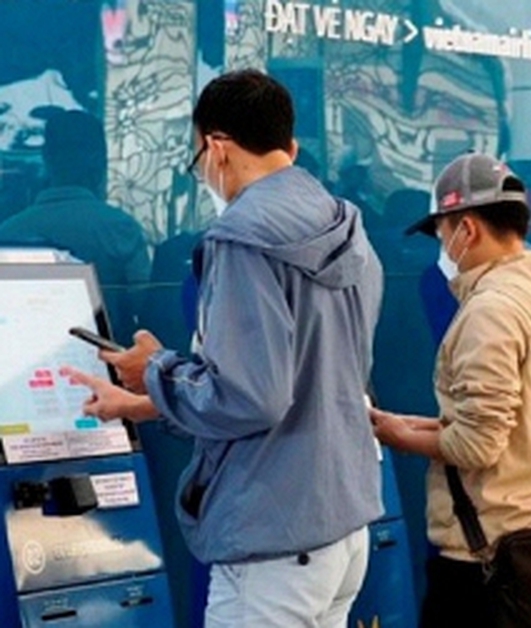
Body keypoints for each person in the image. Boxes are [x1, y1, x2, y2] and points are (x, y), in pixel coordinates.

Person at [65, 69, 384, 627]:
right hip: (341, 531)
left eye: (197, 163)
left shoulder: (242, 237)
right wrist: (150, 404)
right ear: (290, 147)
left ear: (216, 147)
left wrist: (156, 369)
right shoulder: (344, 228)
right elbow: (309, 380)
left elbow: (251, 396)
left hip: (273, 537)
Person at [368, 153, 531, 628]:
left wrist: (397, 437)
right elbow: (520, 419)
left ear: (467, 229)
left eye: (441, 234)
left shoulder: (490, 311)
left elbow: (479, 444)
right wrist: (414, 424)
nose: (442, 250)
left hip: (486, 558)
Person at [0, 109, 150, 338]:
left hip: (25, 358)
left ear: (46, 157)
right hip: (107, 357)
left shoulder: (8, 232)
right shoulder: (120, 228)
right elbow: (144, 307)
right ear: (100, 160)